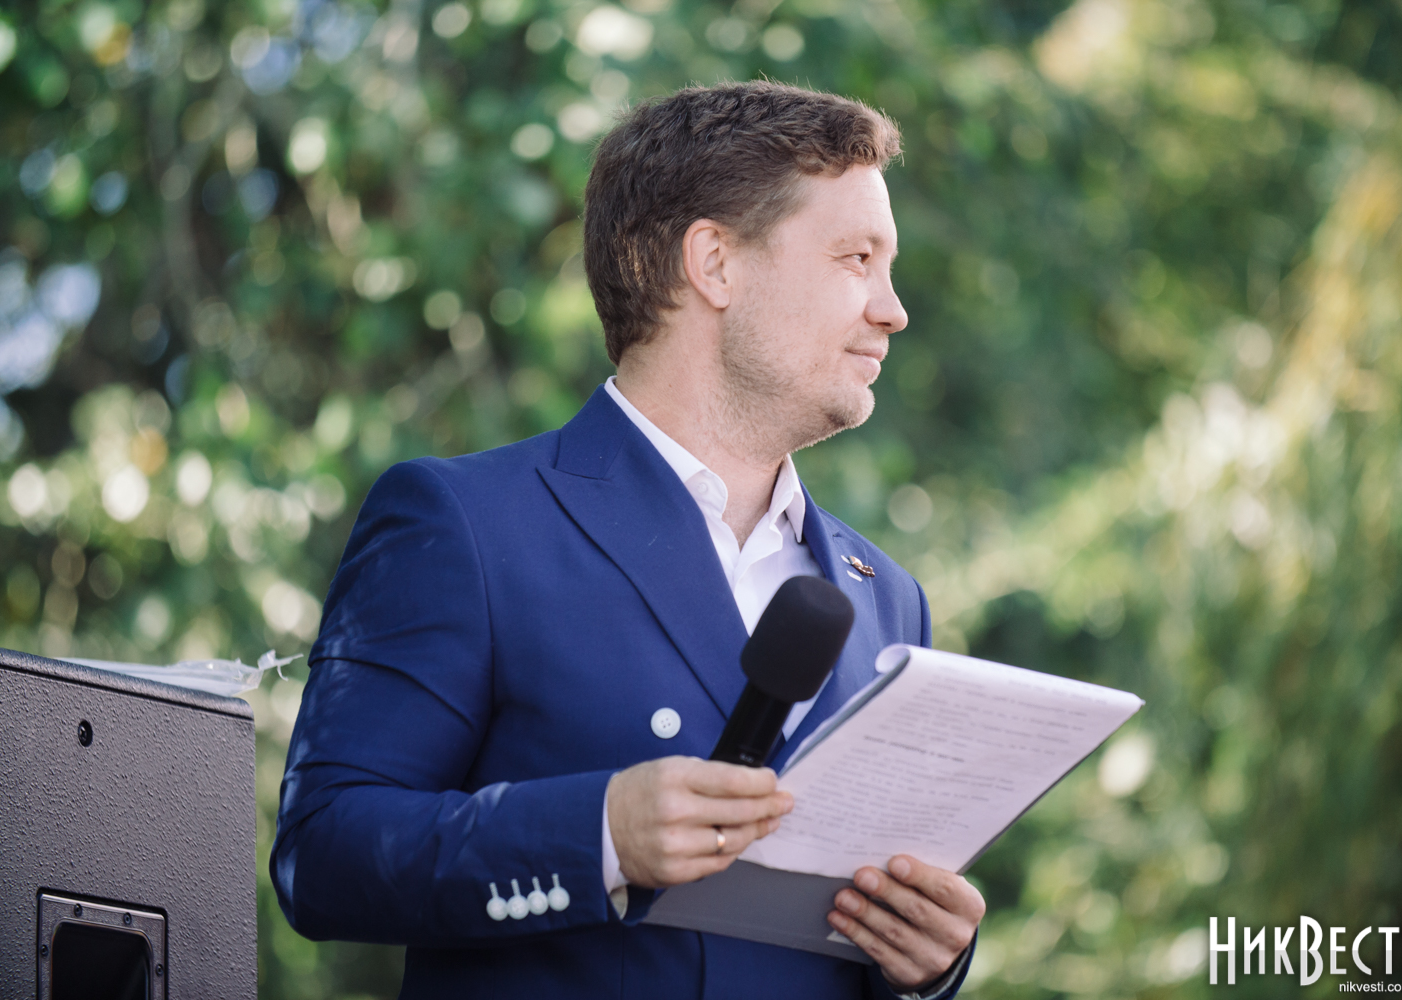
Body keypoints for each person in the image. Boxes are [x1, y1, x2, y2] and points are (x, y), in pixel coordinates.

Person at [271, 81, 984, 1000]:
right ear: (714, 264)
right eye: (857, 259)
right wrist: (599, 834)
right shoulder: (462, 523)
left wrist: (928, 963)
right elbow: (324, 855)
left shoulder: (888, 595)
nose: (893, 309)